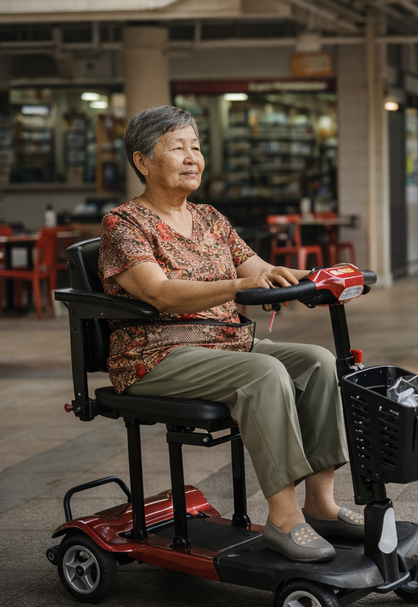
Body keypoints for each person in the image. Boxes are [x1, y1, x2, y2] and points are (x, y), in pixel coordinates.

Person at [98, 105, 362, 564]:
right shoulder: (124, 224)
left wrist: (313, 278)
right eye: (177, 148)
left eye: (196, 147)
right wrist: (240, 286)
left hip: (223, 343)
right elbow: (159, 294)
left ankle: (320, 503)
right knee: (262, 374)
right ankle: (283, 516)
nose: (191, 158)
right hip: (156, 354)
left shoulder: (210, 219)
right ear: (142, 161)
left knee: (319, 362)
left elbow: (258, 269)